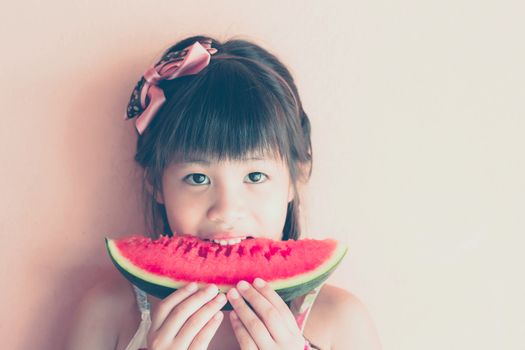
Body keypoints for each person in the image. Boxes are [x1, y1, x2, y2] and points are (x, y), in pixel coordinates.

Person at [65, 35, 382, 350]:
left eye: (255, 176)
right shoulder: (109, 313)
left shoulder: (339, 322)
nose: (227, 209)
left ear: (294, 179)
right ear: (156, 184)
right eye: (198, 178)